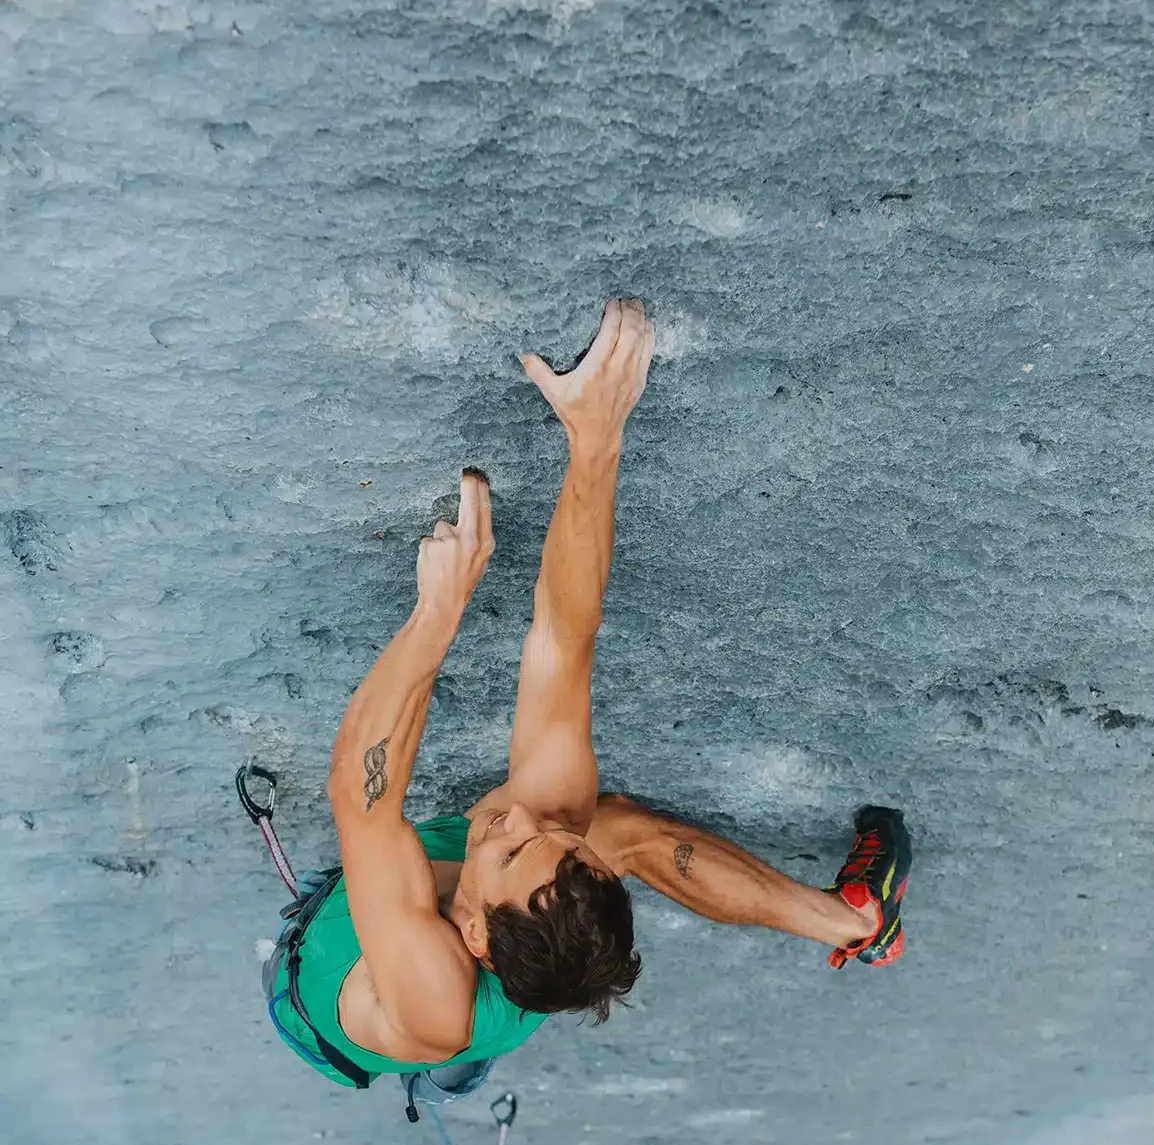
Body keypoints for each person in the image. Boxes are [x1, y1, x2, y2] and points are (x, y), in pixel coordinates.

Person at [267, 297, 912, 1091]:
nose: (515, 816)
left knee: (454, 1056)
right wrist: (597, 439)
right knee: (616, 826)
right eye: (551, 843)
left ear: (473, 931)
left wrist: (436, 618)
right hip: (505, 936)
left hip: (348, 1016)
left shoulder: (432, 989)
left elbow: (361, 799)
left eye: (508, 846)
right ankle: (854, 920)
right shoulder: (545, 838)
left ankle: (453, 1067)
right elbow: (561, 642)